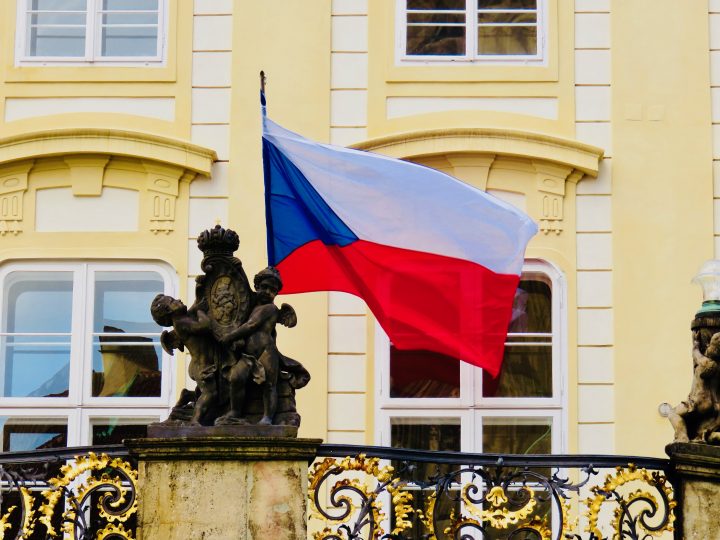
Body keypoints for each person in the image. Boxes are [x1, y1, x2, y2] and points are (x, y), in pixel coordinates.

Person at [215, 267, 302, 425]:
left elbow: (251, 325)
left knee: (269, 385)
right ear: (257, 287)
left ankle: (267, 417)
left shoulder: (271, 308)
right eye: (265, 287)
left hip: (266, 352)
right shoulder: (250, 306)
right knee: (236, 377)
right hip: (248, 354)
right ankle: (235, 412)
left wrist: (230, 337)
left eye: (273, 290)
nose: (268, 292)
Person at [150, 294, 222, 426]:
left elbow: (194, 307)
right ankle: (195, 421)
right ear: (169, 311)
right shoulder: (181, 323)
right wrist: (202, 311)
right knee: (210, 393)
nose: (178, 300)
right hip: (202, 366)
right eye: (172, 301)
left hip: (198, 364)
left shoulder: (183, 318)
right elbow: (205, 325)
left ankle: (186, 396)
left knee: (205, 392)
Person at [669, 330, 720, 443]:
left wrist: (696, 343)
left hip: (698, 401)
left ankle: (682, 437)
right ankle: (708, 437)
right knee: (700, 430)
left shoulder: (706, 362)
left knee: (672, 413)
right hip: (715, 405)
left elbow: (696, 354)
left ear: (712, 346)